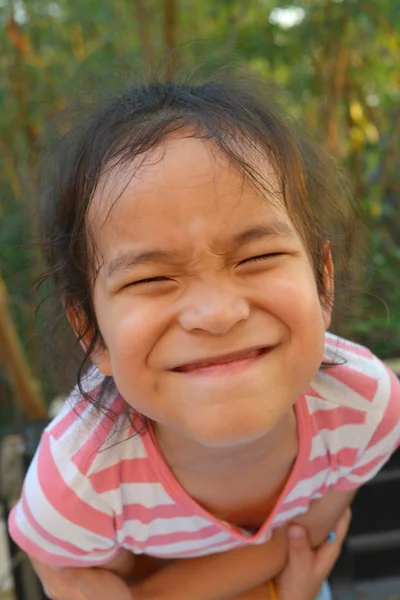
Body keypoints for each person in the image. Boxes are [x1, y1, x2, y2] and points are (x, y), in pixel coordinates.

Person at [8, 74, 400, 600]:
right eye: (149, 279)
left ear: (322, 281)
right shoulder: (78, 481)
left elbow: (304, 543)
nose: (216, 314)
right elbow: (71, 579)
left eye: (258, 257)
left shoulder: (365, 405)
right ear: (91, 332)